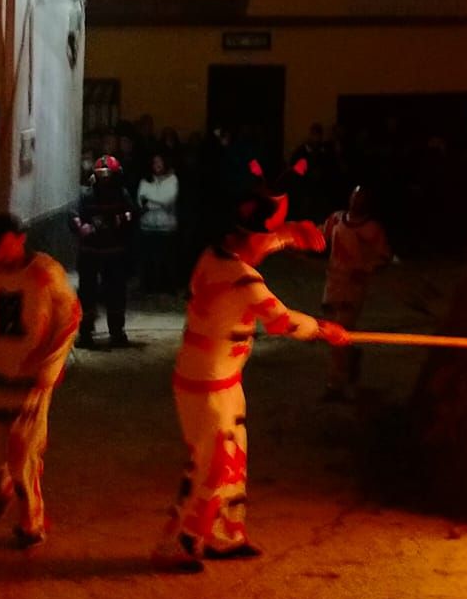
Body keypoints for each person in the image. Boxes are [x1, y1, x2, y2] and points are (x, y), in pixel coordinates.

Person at [152, 185, 344, 571]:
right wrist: (324, 329)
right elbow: (282, 321)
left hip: (221, 381)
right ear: (244, 238)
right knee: (213, 465)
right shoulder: (242, 280)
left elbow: (257, 245)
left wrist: (288, 236)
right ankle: (182, 541)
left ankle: (227, 535)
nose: (266, 246)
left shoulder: (214, 255)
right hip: (205, 385)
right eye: (263, 238)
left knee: (232, 460)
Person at [0, 213, 81, 548]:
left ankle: (32, 522)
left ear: (19, 239)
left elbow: (71, 317)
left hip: (32, 382)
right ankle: (6, 485)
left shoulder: (44, 273)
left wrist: (49, 366)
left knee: (23, 452)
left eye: (1, 244)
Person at [320, 185, 393, 399]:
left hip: (353, 288)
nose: (356, 199)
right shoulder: (336, 220)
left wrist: (366, 270)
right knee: (331, 333)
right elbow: (320, 236)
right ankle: (350, 360)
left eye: (361, 196)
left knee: (338, 333)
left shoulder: (372, 229)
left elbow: (384, 256)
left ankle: (335, 384)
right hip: (333, 283)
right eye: (354, 194)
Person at [72, 154, 137, 346]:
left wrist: (118, 220)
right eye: (101, 174)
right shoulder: (86, 194)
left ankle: (116, 332)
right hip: (91, 252)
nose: (105, 179)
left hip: (114, 253)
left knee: (115, 293)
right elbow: (75, 215)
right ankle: (85, 333)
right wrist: (79, 226)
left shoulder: (122, 194)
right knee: (87, 294)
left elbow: (132, 214)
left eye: (108, 175)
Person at [136, 152, 181, 295]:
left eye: (160, 162)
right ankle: (148, 286)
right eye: (155, 162)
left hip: (167, 226)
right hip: (147, 226)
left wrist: (150, 202)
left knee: (167, 259)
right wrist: (157, 202)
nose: (157, 165)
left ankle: (167, 286)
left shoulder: (172, 179)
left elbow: (168, 200)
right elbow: (140, 201)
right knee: (148, 259)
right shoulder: (145, 181)